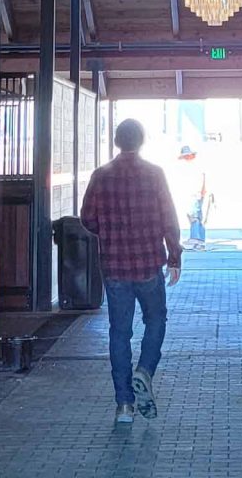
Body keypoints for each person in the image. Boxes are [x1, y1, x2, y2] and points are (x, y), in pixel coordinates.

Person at [79, 118, 182, 426]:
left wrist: (109, 232)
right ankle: (145, 371)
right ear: (142, 141)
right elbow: (169, 218)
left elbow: (87, 218)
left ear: (116, 141)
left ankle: (124, 405)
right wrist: (174, 256)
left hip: (114, 268)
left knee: (119, 333)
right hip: (148, 264)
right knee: (156, 319)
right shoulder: (155, 174)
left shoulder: (100, 176)